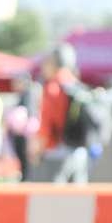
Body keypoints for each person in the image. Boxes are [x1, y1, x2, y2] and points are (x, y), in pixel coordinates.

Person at [32, 44, 90, 184]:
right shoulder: (76, 85)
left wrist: (38, 150)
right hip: (79, 152)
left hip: (57, 153)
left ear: (52, 63)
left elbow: (46, 125)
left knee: (53, 196)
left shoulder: (53, 88)